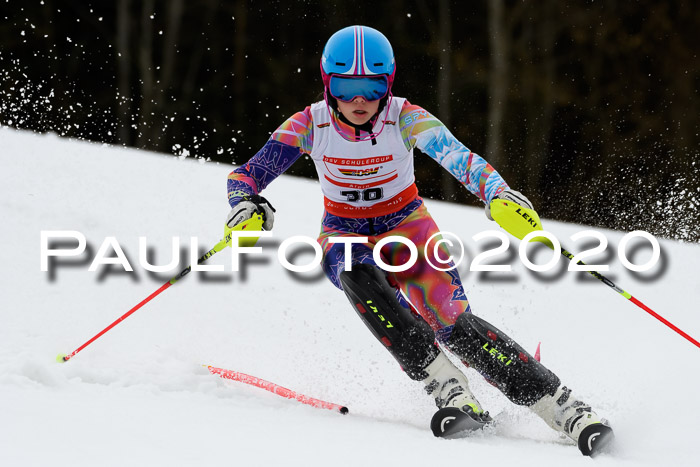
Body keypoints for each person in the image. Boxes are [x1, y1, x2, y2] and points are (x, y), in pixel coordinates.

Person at [225, 25, 612, 456]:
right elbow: (246, 174)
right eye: (345, 87)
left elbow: (462, 160)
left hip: (408, 227)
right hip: (343, 231)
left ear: (387, 85)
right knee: (356, 271)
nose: (358, 100)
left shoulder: (406, 117)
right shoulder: (309, 125)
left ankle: (564, 409)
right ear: (327, 84)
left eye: (371, 87)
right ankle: (448, 388)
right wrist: (245, 205)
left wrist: (498, 193)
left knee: (456, 327)